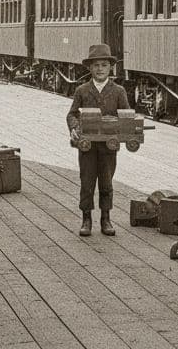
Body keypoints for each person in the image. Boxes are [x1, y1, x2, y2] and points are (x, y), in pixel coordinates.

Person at [66, 43, 130, 237]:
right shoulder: (82, 90)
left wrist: (123, 129)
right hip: (87, 146)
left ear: (110, 68)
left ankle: (106, 218)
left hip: (108, 147)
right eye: (96, 66)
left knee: (106, 182)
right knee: (86, 182)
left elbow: (126, 115)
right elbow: (72, 114)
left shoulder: (119, 91)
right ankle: (86, 219)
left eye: (104, 65)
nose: (100, 69)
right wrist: (74, 129)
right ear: (90, 68)